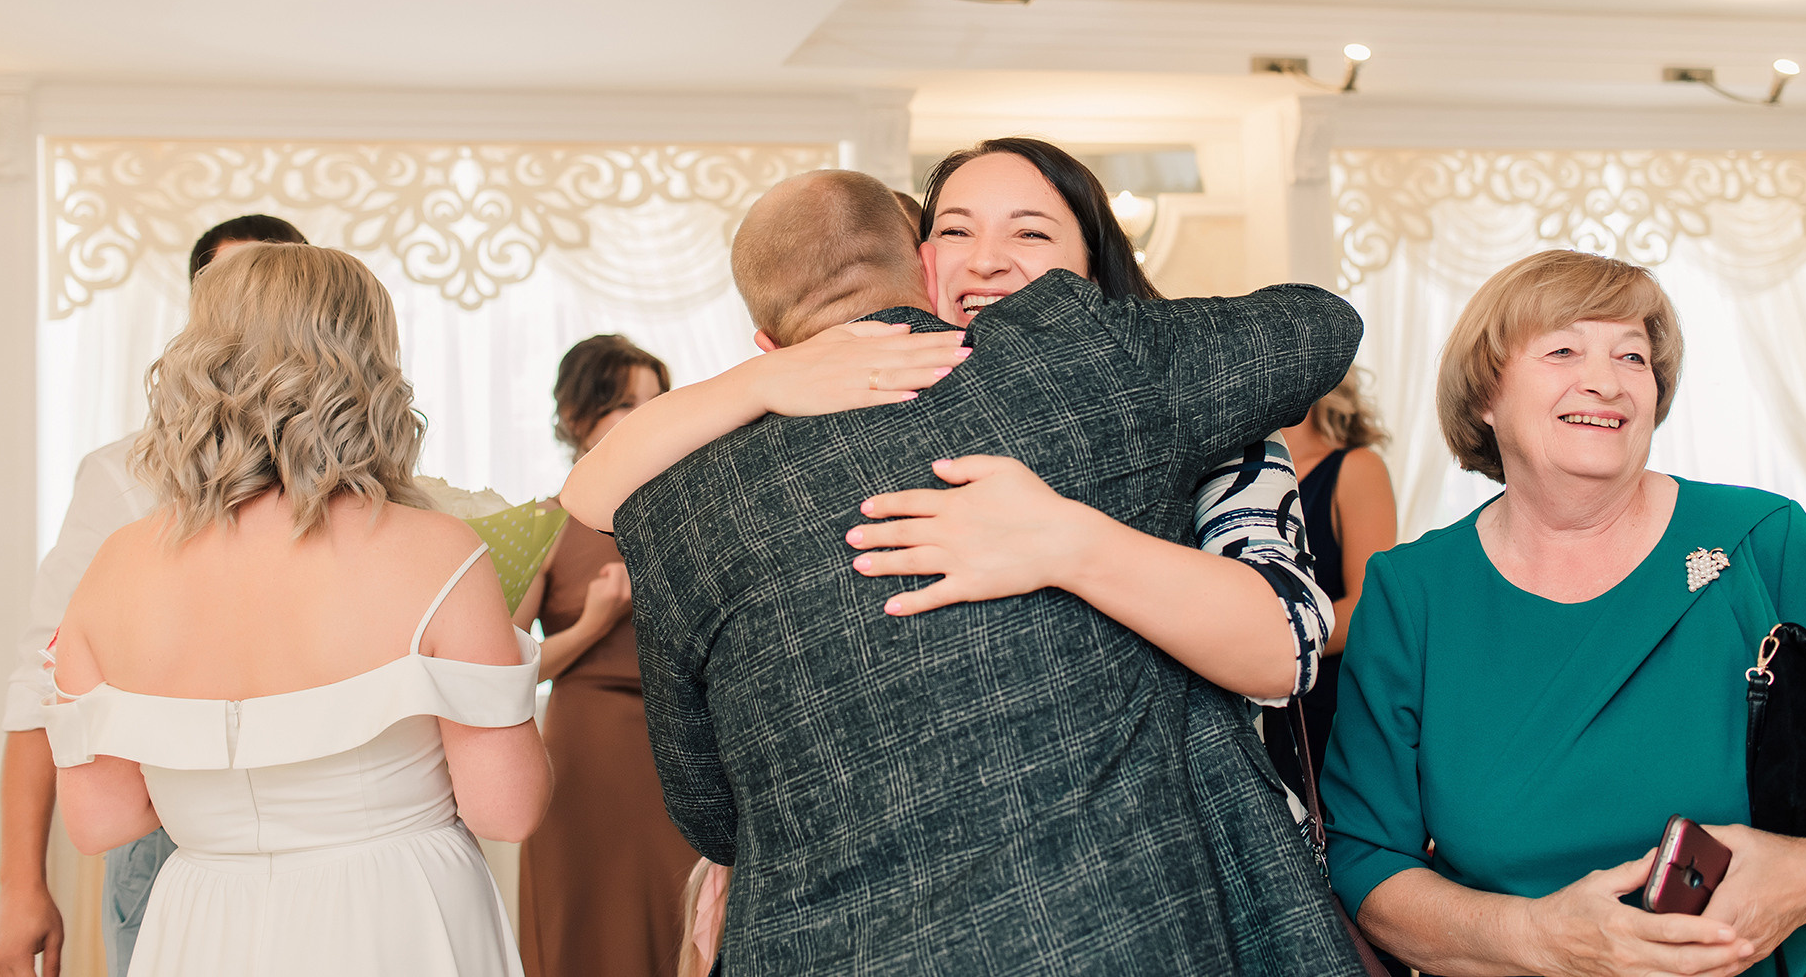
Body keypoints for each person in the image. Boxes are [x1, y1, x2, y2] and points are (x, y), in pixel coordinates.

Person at [565, 169, 1368, 975]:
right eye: (957, 231)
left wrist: (1063, 535)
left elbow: (711, 811)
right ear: (922, 260)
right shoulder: (1079, 358)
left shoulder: (678, 504)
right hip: (1101, 928)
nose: (985, 263)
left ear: (767, 340)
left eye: (1029, 232)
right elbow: (1321, 325)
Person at [1323, 249, 1806, 977]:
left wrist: (1803, 878)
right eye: (1563, 349)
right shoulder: (1412, 592)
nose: (1607, 379)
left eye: (1633, 355)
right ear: (1485, 396)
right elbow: (1367, 862)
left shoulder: (1760, 540)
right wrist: (1541, 937)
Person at [43, 244, 550, 977]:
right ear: (368, 369)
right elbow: (508, 809)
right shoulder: (437, 551)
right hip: (395, 915)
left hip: (202, 919)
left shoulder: (116, 565)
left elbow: (102, 819)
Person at [0, 213, 307, 977]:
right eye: (233, 295)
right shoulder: (123, 477)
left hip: (321, 839)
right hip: (165, 843)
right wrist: (19, 884)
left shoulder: (356, 482)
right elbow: (44, 677)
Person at [515, 334, 697, 977]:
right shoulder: (542, 523)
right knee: (587, 922)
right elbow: (508, 670)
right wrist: (594, 624)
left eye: (655, 402)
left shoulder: (690, 518)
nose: (644, 418)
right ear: (575, 417)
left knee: (686, 924)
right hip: (586, 751)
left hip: (686, 749)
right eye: (624, 404)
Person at [1263, 366, 1397, 797]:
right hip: (1253, 698)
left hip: (1327, 702)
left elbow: (1366, 605)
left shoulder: (1357, 467)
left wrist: (1272, 643)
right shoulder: (1240, 481)